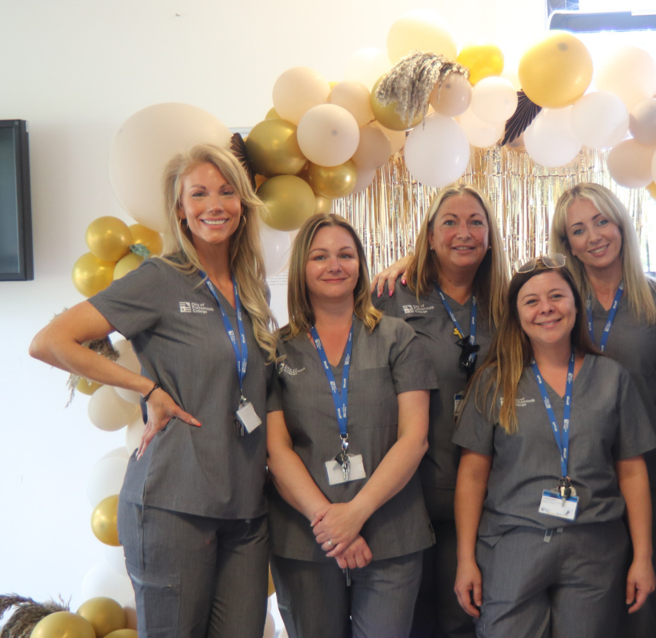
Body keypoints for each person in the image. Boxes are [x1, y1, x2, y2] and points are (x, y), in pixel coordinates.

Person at [30, 144, 277, 637]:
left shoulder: (252, 289)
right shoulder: (160, 279)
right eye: (198, 194)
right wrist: (146, 388)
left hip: (247, 506)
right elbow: (49, 341)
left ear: (242, 202)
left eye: (226, 191)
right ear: (180, 210)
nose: (214, 205)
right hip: (173, 503)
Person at [452, 255, 656, 638]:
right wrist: (465, 559)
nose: (546, 308)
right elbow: (472, 475)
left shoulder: (612, 378)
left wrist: (643, 557)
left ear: (576, 305)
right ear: (516, 316)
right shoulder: (494, 382)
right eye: (531, 301)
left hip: (594, 545)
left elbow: (631, 471)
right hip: (513, 543)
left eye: (557, 296)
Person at [266, 213, 437, 638]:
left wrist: (356, 514)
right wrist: (330, 524)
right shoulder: (277, 349)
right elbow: (277, 449)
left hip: (391, 533)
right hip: (306, 537)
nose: (334, 265)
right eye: (320, 256)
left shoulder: (397, 337)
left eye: (345, 255)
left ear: (360, 264)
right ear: (302, 268)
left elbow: (414, 438)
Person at [372, 184, 509, 638]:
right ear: (429, 237)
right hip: (404, 493)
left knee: (460, 617)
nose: (463, 233)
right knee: (405, 619)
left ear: (490, 236)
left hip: (481, 492)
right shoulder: (391, 295)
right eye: (449, 222)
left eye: (475, 222)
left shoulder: (507, 305)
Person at [549, 182, 656, 636]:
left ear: (621, 225)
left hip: (650, 475)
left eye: (601, 221)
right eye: (578, 230)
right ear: (567, 245)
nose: (594, 237)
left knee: (643, 614)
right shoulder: (555, 302)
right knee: (586, 617)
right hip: (577, 478)